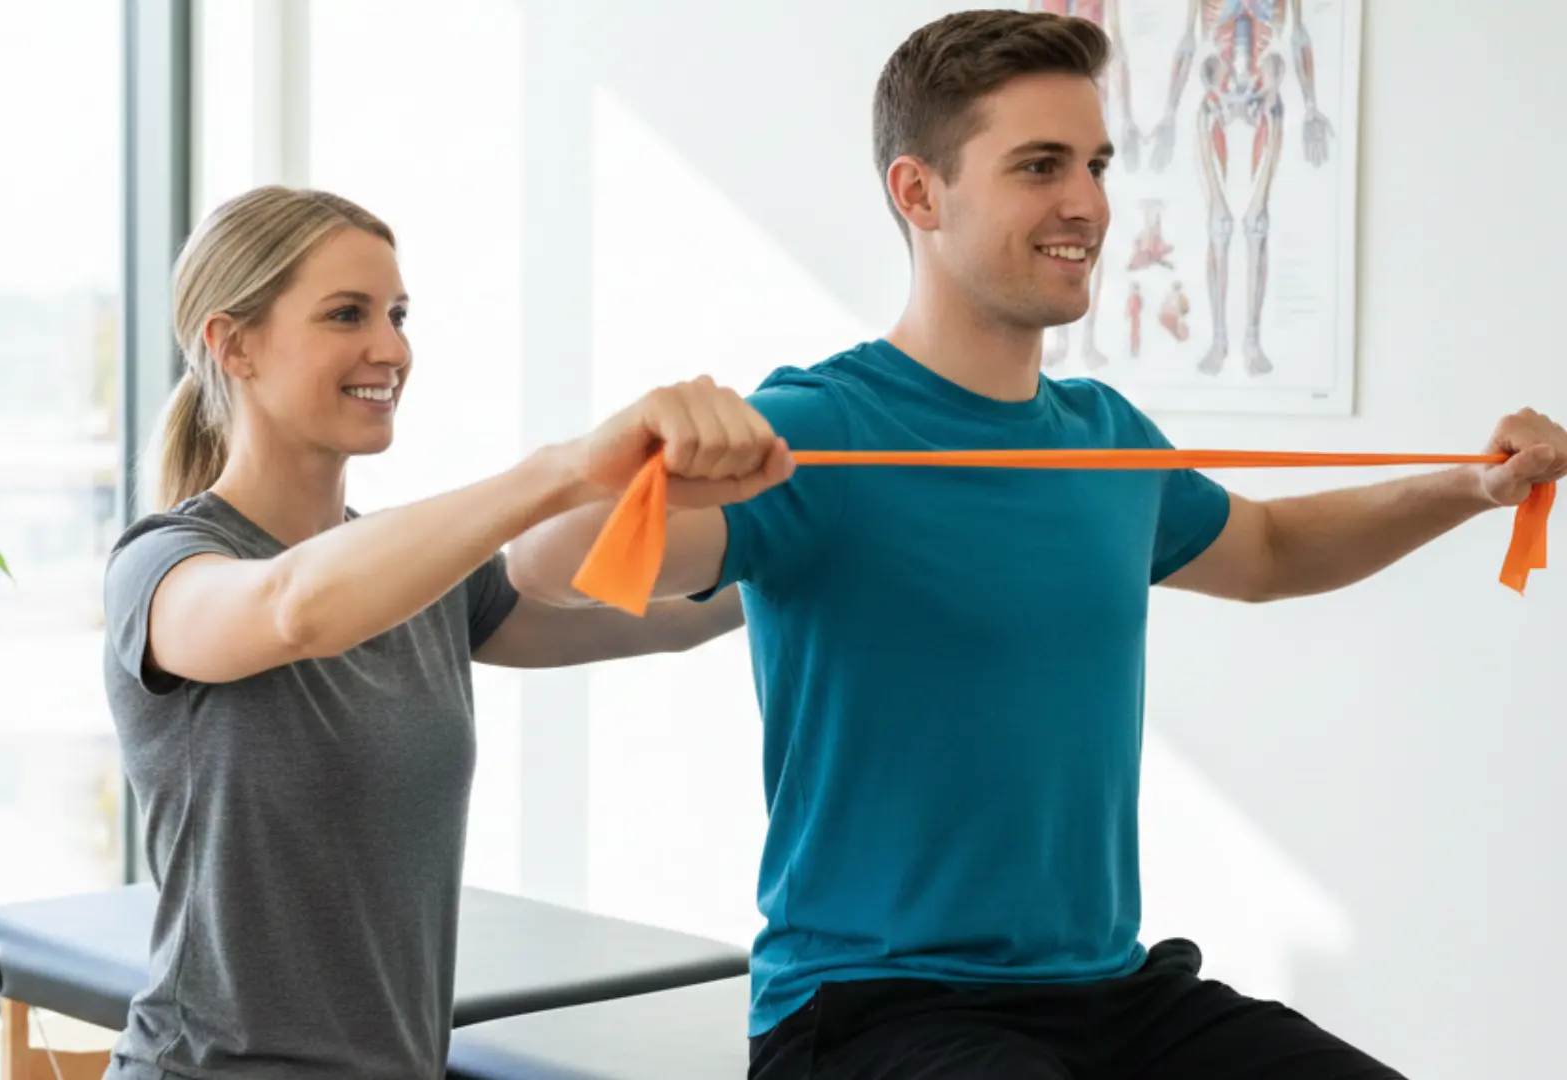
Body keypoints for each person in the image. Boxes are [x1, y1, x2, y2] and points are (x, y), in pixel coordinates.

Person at [505, 10, 1567, 1079]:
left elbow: (1273, 551)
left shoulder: (1105, 436)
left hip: (1111, 993)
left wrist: (1471, 489)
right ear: (918, 193)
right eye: (1040, 166)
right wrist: (629, 460)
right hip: (873, 1009)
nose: (1089, 204)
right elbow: (545, 570)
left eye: (1098, 164)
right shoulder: (819, 432)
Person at [98, 185, 791, 1080]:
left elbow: (663, 619)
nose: (390, 349)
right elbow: (290, 609)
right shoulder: (164, 569)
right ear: (233, 345)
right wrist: (563, 470)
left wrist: (827, 534)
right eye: (346, 314)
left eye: (397, 314)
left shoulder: (424, 578)